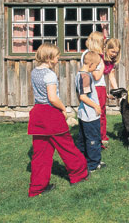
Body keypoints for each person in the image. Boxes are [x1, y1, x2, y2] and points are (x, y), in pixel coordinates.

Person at [27, 43, 88, 197]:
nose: (58, 59)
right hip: (50, 114)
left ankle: (37, 187)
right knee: (67, 146)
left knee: (41, 153)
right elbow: (52, 98)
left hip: (37, 114)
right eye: (56, 56)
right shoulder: (50, 75)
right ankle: (79, 174)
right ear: (49, 58)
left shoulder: (34, 72)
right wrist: (63, 108)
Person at [81, 32, 113, 148]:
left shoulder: (90, 54)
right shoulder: (92, 56)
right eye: (102, 42)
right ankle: (98, 138)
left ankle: (102, 136)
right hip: (96, 87)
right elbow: (96, 76)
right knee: (99, 112)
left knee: (101, 112)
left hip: (99, 87)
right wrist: (104, 66)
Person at [75, 50, 104, 172]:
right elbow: (83, 96)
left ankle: (83, 160)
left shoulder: (79, 74)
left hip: (83, 114)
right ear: (90, 64)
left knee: (83, 139)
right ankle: (93, 164)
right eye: (96, 66)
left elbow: (79, 94)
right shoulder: (86, 76)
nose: (96, 68)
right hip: (90, 116)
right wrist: (96, 106)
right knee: (93, 139)